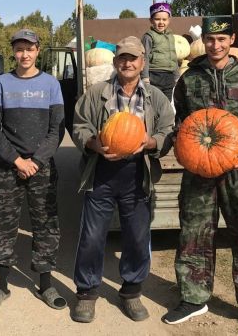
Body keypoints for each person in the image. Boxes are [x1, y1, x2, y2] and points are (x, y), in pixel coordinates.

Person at [162, 16, 238, 336]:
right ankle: (193, 297)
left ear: (232, 40)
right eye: (211, 40)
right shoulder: (190, 80)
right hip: (199, 171)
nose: (215, 45)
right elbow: (183, 122)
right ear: (206, 41)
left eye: (222, 39)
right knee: (194, 233)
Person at [71, 36, 174, 323]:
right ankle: (87, 293)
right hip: (101, 171)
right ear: (116, 62)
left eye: (133, 58)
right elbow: (79, 124)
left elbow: (168, 128)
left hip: (137, 173)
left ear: (142, 62)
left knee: (137, 237)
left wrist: (151, 142)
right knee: (92, 237)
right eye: (122, 58)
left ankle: (131, 292)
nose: (127, 63)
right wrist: (93, 144)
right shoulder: (97, 93)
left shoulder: (155, 96)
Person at [0, 28, 66, 311]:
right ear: (14, 52)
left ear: (38, 51)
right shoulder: (2, 84)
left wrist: (37, 162)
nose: (24, 54)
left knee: (46, 224)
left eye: (29, 49)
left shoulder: (51, 84)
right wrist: (17, 161)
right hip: (8, 167)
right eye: (19, 49)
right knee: (3, 225)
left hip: (41, 167)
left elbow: (57, 130)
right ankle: (1, 284)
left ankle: (45, 284)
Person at [141, 1, 177, 102]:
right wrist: (145, 77)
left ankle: (164, 118)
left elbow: (173, 56)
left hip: (169, 76)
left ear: (169, 20)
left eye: (164, 19)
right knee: (154, 102)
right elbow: (145, 57)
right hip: (154, 75)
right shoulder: (148, 37)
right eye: (157, 19)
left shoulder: (170, 36)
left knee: (166, 102)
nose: (161, 22)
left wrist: (176, 75)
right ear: (151, 20)